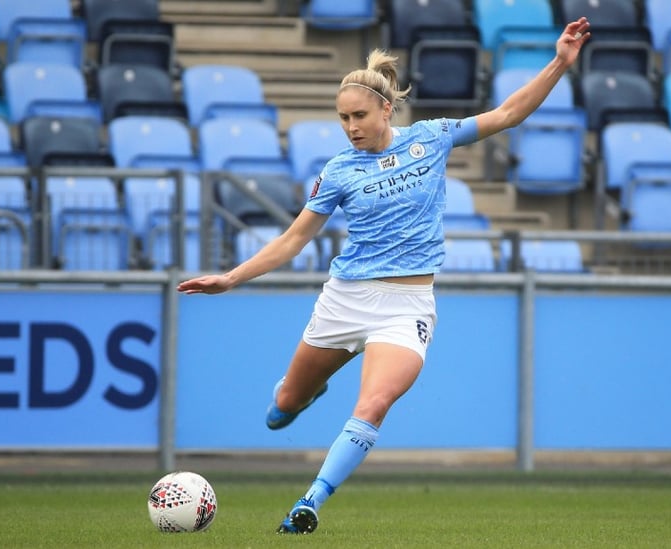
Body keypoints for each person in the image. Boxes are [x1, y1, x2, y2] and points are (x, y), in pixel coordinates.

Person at [177, 16, 591, 535]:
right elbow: (294, 238)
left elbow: (508, 113)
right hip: (346, 300)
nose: (351, 127)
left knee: (374, 402)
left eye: (359, 115)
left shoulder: (431, 139)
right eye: (343, 118)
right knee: (281, 409)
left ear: (386, 109)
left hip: (407, 306)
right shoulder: (338, 171)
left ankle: (309, 503)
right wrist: (231, 278)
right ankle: (303, 391)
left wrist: (559, 62)